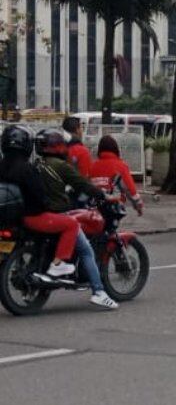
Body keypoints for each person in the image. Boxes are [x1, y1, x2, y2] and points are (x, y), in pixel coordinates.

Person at [28, 128, 119, 309]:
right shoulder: (60, 165)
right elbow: (82, 184)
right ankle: (99, 292)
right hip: (58, 213)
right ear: (57, 146)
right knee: (86, 251)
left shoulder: (37, 164)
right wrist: (102, 195)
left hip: (41, 213)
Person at [2, 128, 87, 292]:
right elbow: (39, 195)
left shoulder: (3, 166)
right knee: (71, 224)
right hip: (32, 216)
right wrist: (49, 205)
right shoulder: (27, 169)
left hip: (10, 219)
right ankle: (58, 264)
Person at [86, 135, 145, 216]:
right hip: (114, 207)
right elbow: (129, 189)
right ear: (116, 149)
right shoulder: (121, 166)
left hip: (94, 207)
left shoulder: (92, 167)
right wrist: (138, 206)